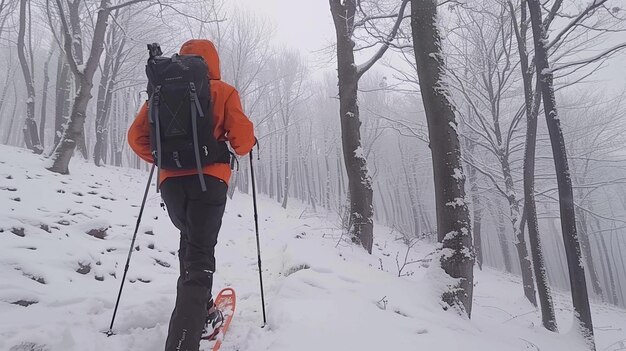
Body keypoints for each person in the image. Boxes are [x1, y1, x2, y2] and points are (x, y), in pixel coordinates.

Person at [128, 39, 255, 351]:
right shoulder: (223, 91)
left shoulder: (161, 92)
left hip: (171, 186)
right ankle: (183, 341)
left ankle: (201, 310)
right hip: (208, 183)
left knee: (190, 244)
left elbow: (136, 137)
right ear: (213, 62)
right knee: (200, 257)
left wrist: (164, 160)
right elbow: (242, 141)